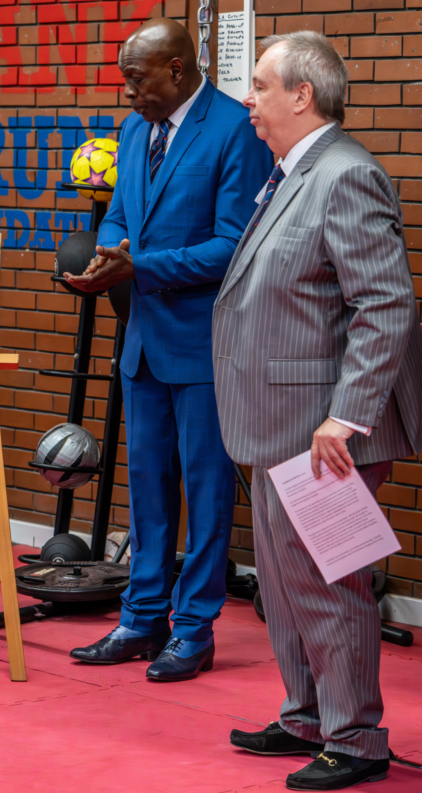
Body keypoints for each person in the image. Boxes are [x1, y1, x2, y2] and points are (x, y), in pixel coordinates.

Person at [213, 31, 422, 790]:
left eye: (262, 86)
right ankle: (307, 714)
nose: (250, 100)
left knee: (329, 588)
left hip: (322, 433)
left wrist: (349, 416)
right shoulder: (293, 173)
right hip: (276, 426)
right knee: (284, 582)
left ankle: (357, 735)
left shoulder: (346, 175)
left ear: (302, 94)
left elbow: (386, 304)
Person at [64, 19, 273, 681]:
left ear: (178, 70)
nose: (128, 93)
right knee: (147, 487)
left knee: (206, 491)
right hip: (144, 342)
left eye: (137, 79)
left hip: (206, 343)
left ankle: (194, 628)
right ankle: (142, 616)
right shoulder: (132, 130)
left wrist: (141, 267)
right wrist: (109, 253)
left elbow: (235, 243)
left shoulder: (236, 130)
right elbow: (122, 212)